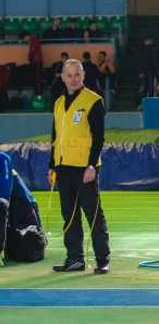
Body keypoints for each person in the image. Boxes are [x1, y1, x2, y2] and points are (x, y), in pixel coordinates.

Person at [48, 59, 110, 274]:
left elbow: (99, 138)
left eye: (77, 74)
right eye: (69, 75)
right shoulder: (58, 103)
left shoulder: (94, 101)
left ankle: (103, 259)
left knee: (93, 214)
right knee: (69, 215)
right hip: (63, 167)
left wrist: (92, 165)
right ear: (63, 77)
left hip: (85, 168)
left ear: (83, 76)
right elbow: (56, 137)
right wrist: (52, 166)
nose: (73, 79)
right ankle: (75, 259)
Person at [0, 152, 46, 267]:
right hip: (8, 206)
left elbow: (3, 202)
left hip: (22, 207)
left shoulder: (3, 159)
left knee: (28, 247)